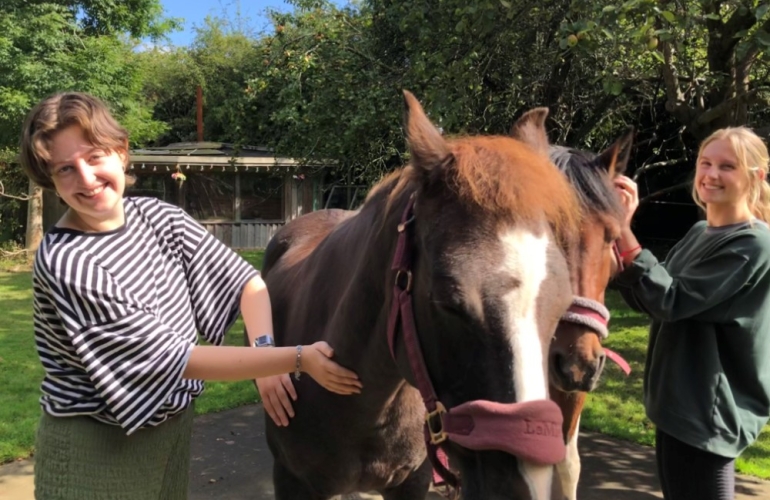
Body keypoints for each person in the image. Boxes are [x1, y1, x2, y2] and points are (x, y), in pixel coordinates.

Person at [20, 91, 363, 500]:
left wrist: (265, 354)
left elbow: (247, 283)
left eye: (94, 157)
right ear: (51, 180)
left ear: (121, 153)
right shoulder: (67, 262)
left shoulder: (160, 219)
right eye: (65, 169)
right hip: (95, 444)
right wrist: (296, 358)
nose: (86, 179)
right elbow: (174, 360)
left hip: (171, 428)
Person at [612, 126, 770, 500]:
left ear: (756, 176)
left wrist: (623, 229)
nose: (711, 174)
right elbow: (652, 301)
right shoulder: (701, 231)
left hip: (706, 415)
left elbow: (672, 300)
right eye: (706, 163)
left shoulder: (753, 244)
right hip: (675, 406)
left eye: (727, 166)